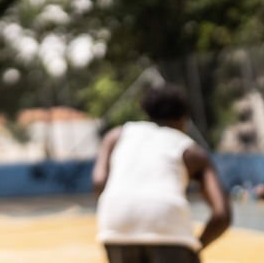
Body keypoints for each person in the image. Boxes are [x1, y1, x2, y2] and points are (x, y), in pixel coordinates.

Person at [93, 84, 232, 263]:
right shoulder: (190, 150)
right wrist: (196, 246)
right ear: (183, 119)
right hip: (167, 221)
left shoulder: (117, 135)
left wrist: (124, 208)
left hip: (115, 220)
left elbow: (98, 182)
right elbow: (222, 214)